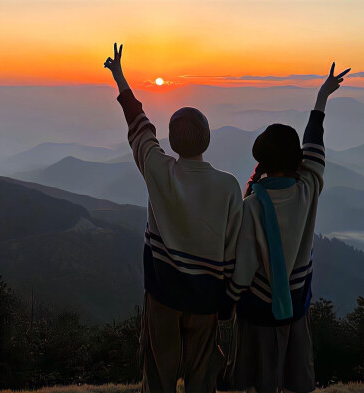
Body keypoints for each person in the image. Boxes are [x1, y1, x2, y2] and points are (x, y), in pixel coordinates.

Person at [104, 43, 243, 393]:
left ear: (173, 140)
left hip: (162, 295)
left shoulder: (158, 170)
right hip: (206, 300)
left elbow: (139, 125)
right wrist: (227, 302)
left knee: (159, 376)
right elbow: (232, 249)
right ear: (208, 139)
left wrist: (119, 75)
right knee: (201, 377)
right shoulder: (229, 187)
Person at [225, 63, 351, 393]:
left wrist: (229, 298)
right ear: (296, 159)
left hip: (260, 308)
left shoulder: (252, 204)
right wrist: (321, 98)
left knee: (263, 376)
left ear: (261, 161)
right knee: (295, 374)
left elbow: (246, 263)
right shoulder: (307, 188)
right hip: (296, 303)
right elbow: (314, 146)